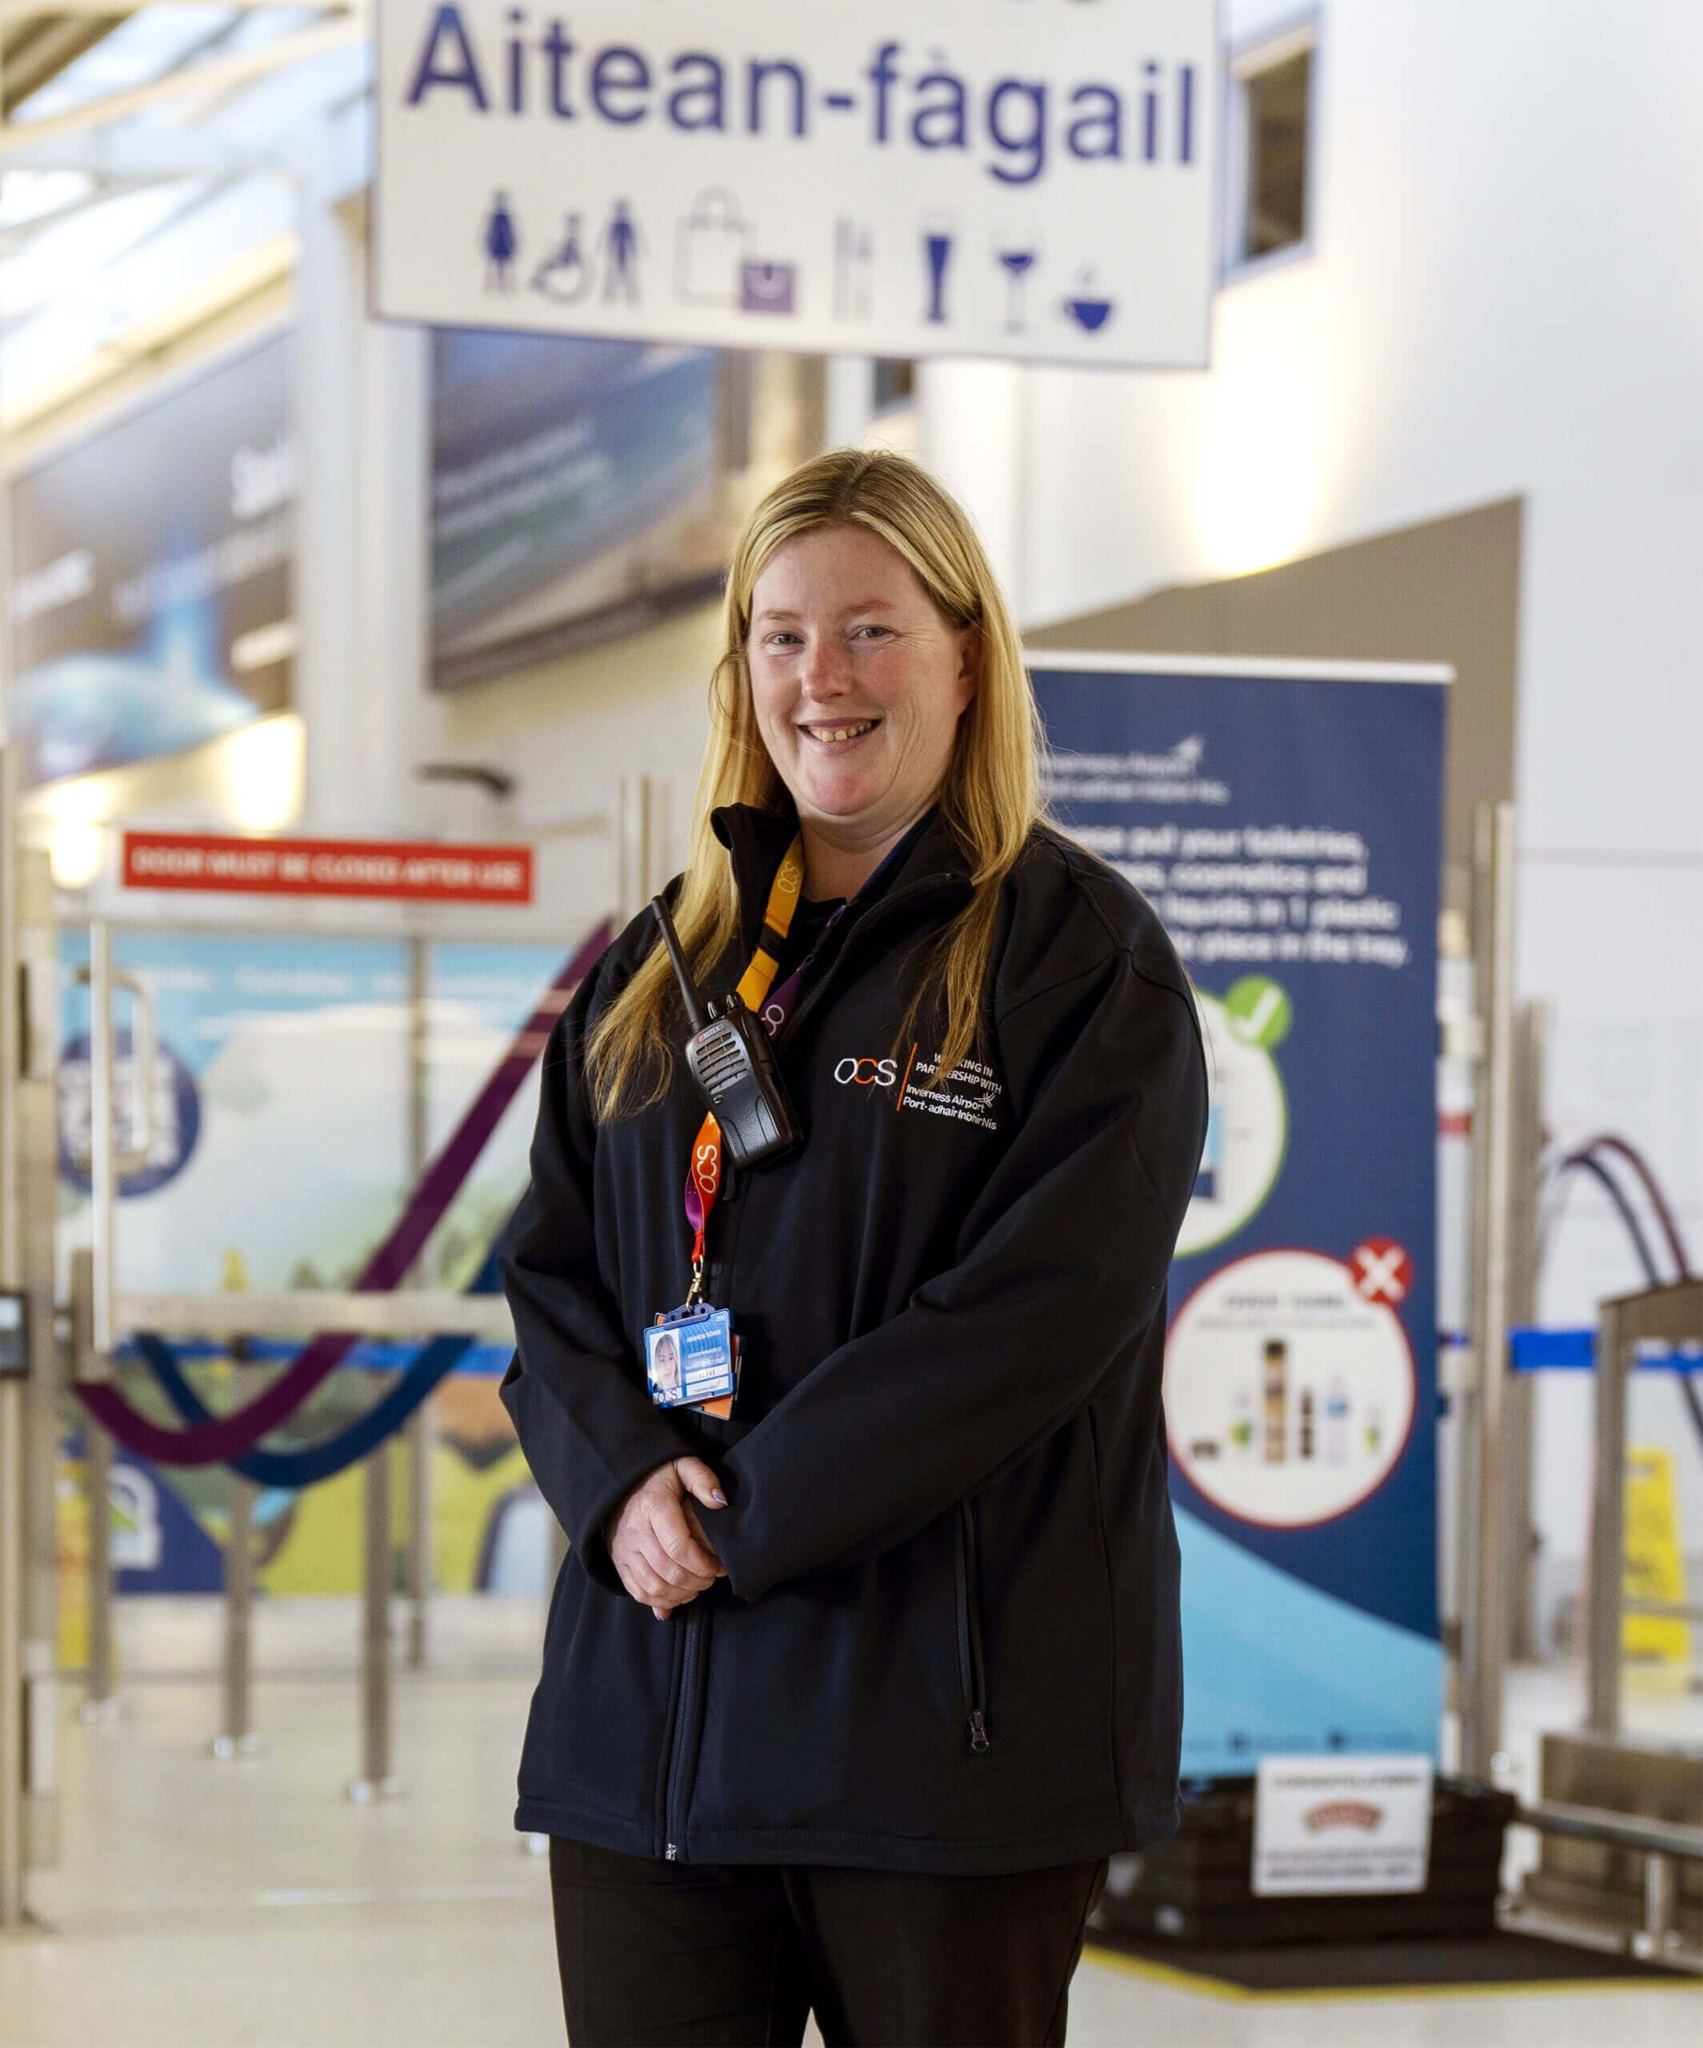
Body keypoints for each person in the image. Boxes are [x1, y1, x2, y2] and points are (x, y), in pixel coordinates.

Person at [500, 448, 1207, 2046]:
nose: (823, 678)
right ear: (740, 669)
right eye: (781, 633)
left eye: (873, 630)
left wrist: (742, 1513)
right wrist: (621, 1488)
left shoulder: (1077, 965)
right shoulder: (658, 966)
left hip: (941, 1750)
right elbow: (547, 1277)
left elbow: (1033, 1317)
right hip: (654, 1744)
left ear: (967, 656)